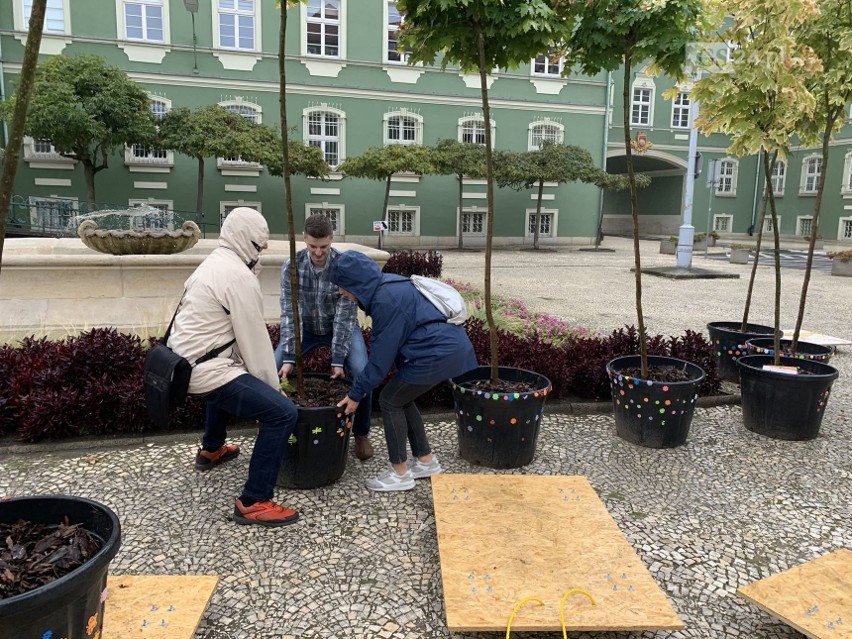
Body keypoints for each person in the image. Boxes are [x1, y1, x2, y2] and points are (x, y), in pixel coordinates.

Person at [168, 207, 300, 527]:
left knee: (227, 374)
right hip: (204, 369)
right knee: (283, 414)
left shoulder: (215, 262)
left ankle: (212, 449)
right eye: (259, 244)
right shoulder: (238, 277)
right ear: (244, 240)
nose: (264, 249)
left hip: (185, 364)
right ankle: (254, 501)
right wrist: (277, 393)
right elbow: (255, 346)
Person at [329, 250, 478, 492]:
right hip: (448, 350)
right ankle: (426, 461)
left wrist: (355, 395)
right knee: (402, 398)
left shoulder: (385, 301)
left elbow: (378, 363)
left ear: (355, 283)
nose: (341, 292)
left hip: (436, 354)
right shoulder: (389, 285)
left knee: (389, 400)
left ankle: (400, 473)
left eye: (343, 286)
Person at [273, 214, 374, 461]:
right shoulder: (291, 266)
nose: (318, 252)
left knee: (362, 372)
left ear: (332, 239)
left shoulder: (343, 265)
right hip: (305, 328)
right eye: (312, 246)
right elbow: (290, 311)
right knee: (271, 368)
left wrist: (338, 358)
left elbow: (345, 314)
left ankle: (361, 433)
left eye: (324, 247)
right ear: (304, 239)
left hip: (339, 327)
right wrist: (288, 355)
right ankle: (274, 428)